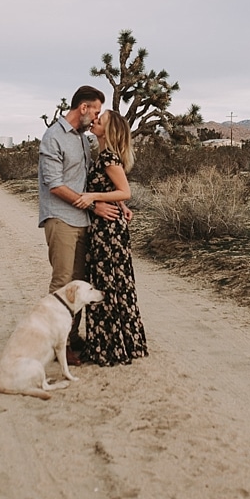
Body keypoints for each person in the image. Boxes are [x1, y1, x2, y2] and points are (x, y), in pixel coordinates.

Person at [69, 109, 149, 366]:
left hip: (109, 233)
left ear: (109, 130)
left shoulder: (108, 159)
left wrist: (93, 197)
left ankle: (111, 346)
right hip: (103, 230)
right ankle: (115, 343)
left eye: (99, 120)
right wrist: (115, 203)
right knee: (110, 284)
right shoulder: (102, 157)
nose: (94, 121)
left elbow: (124, 191)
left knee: (109, 284)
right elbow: (114, 191)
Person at [38, 86, 124, 293]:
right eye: (96, 112)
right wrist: (94, 206)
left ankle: (72, 327)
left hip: (83, 219)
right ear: (84, 107)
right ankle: (55, 327)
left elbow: (88, 179)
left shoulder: (82, 138)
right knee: (62, 283)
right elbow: (55, 185)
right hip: (61, 219)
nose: (96, 118)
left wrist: (118, 201)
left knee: (78, 284)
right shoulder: (54, 137)